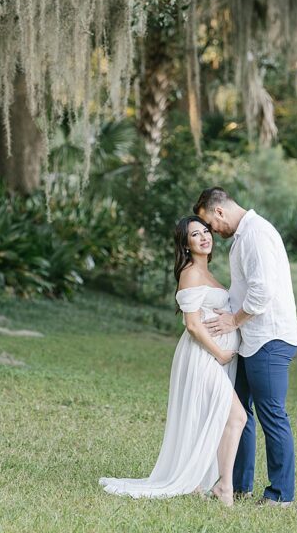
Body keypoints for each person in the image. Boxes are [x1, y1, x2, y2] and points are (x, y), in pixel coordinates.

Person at [99, 216, 247, 506]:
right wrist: (219, 354)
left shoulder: (209, 273)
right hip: (202, 357)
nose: (204, 237)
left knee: (214, 415)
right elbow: (192, 325)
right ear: (186, 244)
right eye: (195, 235)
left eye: (206, 231)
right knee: (236, 416)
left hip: (215, 357)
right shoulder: (190, 273)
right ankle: (224, 488)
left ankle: (202, 481)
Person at [195, 188, 297, 507]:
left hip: (269, 338)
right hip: (251, 340)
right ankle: (237, 484)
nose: (212, 232)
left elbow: (262, 291)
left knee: (272, 415)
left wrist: (233, 321)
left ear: (218, 212)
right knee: (238, 413)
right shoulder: (244, 236)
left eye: (210, 224)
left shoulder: (256, 235)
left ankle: (281, 495)